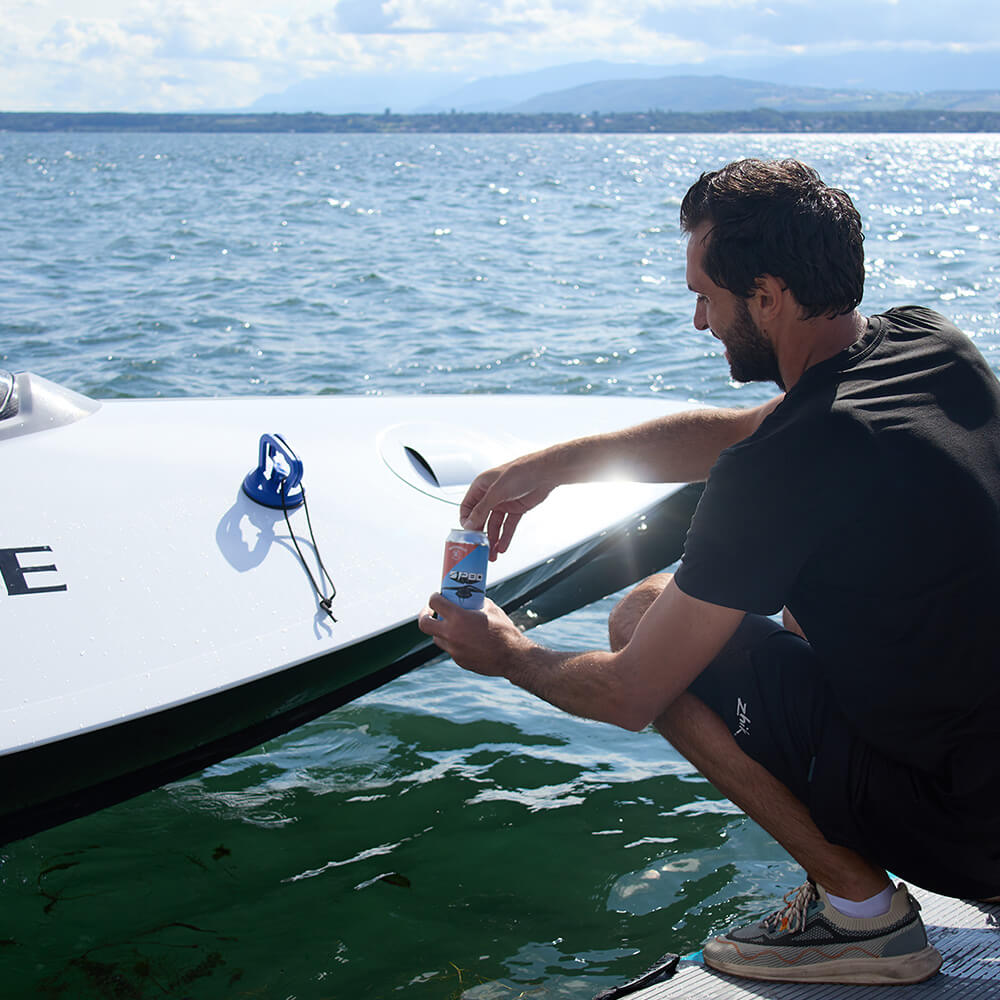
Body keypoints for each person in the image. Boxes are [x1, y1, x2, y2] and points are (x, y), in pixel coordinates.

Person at [418, 158, 1000, 986]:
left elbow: (630, 695)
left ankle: (864, 921)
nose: (698, 321)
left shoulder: (784, 468)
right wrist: (556, 464)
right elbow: (742, 430)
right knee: (812, 584)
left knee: (641, 619)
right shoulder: (928, 343)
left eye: (707, 295)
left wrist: (503, 652)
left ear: (767, 295)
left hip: (971, 831)